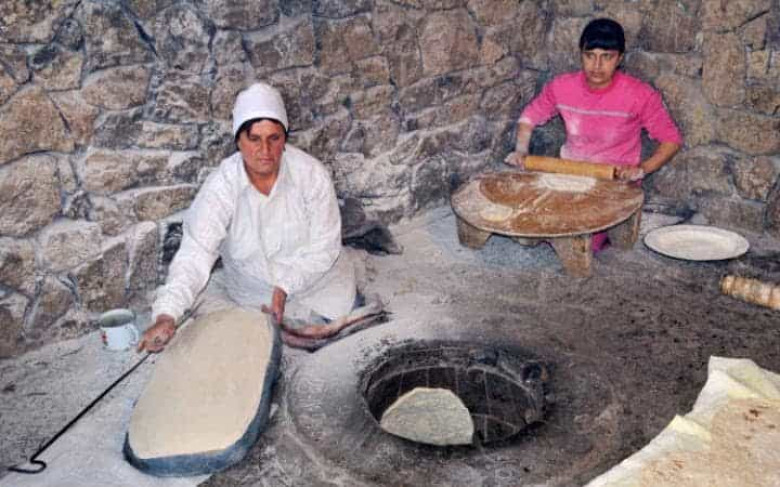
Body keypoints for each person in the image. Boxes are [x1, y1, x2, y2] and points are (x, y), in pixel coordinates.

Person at [138, 82, 357, 353]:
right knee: (235, 344)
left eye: (273, 138)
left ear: (284, 139)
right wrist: (167, 314)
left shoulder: (312, 175)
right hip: (253, 296)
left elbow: (325, 246)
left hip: (316, 288)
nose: (265, 150)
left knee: (332, 337)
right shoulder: (221, 187)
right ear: (239, 141)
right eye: (254, 139)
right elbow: (196, 251)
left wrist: (285, 286)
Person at [505, 18, 683, 249]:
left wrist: (641, 169)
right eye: (590, 56)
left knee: (579, 236)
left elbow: (671, 139)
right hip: (569, 174)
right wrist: (521, 151)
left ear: (619, 58)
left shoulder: (639, 94)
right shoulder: (562, 87)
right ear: (581, 54)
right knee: (529, 214)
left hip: (615, 182)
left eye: (606, 57)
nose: (597, 65)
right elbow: (530, 116)